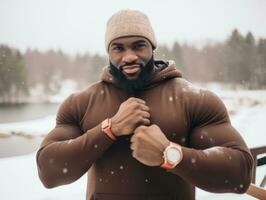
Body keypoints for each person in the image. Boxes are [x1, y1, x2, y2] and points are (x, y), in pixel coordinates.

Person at [36, 9, 254, 200]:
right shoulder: (81, 102)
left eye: (138, 46)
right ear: (109, 53)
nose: (129, 56)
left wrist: (170, 154)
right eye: (118, 48)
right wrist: (109, 130)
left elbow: (240, 173)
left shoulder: (193, 99)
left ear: (152, 48)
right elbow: (48, 171)